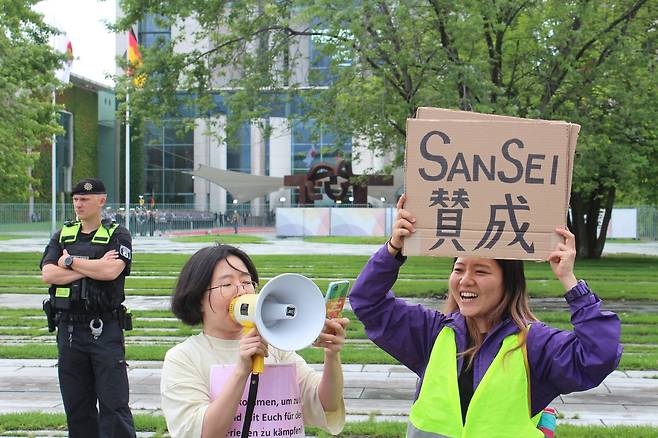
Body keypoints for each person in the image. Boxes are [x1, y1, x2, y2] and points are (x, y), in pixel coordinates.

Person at [349, 194, 622, 437]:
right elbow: (367, 301)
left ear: (508, 283)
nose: (465, 281)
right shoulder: (431, 333)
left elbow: (599, 355)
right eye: (459, 269)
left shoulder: (535, 345)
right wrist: (393, 249)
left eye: (480, 271)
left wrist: (570, 282)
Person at [161, 244, 348, 438]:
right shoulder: (183, 358)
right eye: (227, 284)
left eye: (247, 282)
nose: (241, 291)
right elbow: (203, 433)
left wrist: (332, 355)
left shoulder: (276, 348)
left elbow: (326, 403)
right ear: (198, 298)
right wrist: (242, 372)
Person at [40, 178, 135, 438]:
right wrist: (90, 267)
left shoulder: (118, 234)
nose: (78, 204)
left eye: (85, 199)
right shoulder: (63, 234)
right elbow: (48, 274)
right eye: (75, 199)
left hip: (104, 328)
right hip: (69, 331)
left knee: (113, 405)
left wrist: (69, 261)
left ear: (101, 201)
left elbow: (110, 271)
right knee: (77, 407)